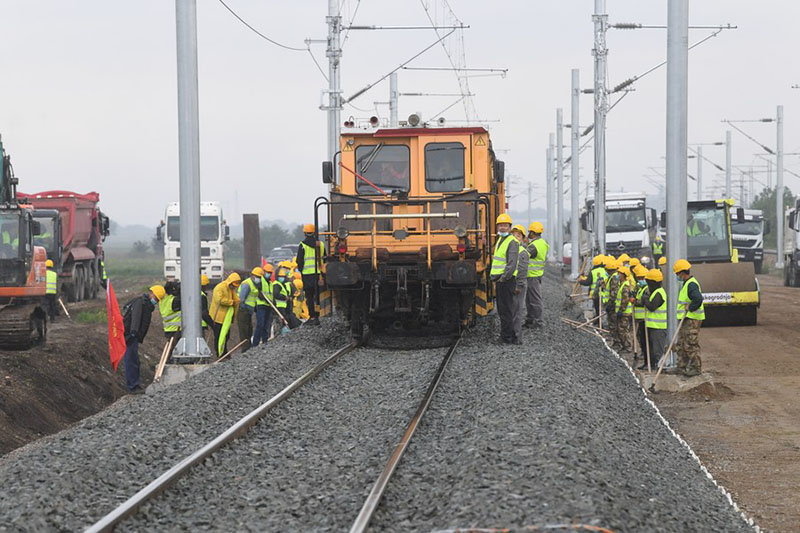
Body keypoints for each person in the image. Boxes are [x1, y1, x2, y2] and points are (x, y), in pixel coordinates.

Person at [121, 288, 158, 393]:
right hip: (130, 336)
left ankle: (135, 384)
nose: (156, 301)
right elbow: (136, 317)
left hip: (133, 336)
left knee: (134, 360)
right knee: (131, 360)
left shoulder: (146, 305)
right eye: (155, 298)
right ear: (151, 294)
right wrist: (133, 332)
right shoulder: (140, 302)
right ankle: (132, 387)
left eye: (158, 300)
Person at [490, 213, 519, 344]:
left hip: (506, 281)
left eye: (505, 225)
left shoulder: (512, 242)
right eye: (501, 225)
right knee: (503, 309)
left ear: (509, 227)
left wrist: (503, 278)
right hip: (501, 280)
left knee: (505, 309)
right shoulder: (500, 240)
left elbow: (511, 264)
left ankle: (507, 337)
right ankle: (509, 335)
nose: (502, 228)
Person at [674, 259, 705, 376]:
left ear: (682, 272)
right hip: (686, 319)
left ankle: (696, 368)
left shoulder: (691, 284)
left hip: (692, 319)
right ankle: (681, 366)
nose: (677, 276)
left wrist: (690, 307)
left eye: (677, 274)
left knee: (690, 344)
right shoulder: (686, 284)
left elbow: (698, 298)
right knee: (681, 343)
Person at [296, 223, 325, 326]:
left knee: (309, 296)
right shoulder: (320, 244)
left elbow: (299, 261)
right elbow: (324, 257)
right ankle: (318, 316)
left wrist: (301, 270)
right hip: (318, 274)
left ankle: (312, 316)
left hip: (307, 275)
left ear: (304, 233)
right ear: (314, 233)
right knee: (317, 296)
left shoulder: (302, 245)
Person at [524, 221, 549, 328]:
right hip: (535, 275)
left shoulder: (534, 246)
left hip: (532, 276)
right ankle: (530, 320)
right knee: (529, 299)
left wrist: (523, 244)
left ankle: (538, 322)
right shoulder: (542, 243)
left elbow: (524, 255)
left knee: (534, 300)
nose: (528, 234)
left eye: (529, 232)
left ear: (533, 233)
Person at [210, 272, 241, 356]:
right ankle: (219, 353)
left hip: (225, 318)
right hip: (218, 318)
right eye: (233, 285)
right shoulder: (220, 287)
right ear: (230, 282)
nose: (234, 287)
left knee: (226, 336)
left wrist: (237, 301)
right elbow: (219, 300)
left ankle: (224, 351)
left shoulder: (230, 290)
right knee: (219, 336)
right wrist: (231, 302)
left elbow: (236, 299)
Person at [642, 268, 667, 371]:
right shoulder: (655, 292)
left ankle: (661, 367)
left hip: (659, 327)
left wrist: (645, 299)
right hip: (653, 326)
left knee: (658, 350)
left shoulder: (659, 293)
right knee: (653, 349)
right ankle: (656, 365)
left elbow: (652, 307)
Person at [238, 267, 266, 353]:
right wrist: (245, 309)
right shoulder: (247, 284)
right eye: (258, 277)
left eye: (260, 277)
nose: (259, 279)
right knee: (244, 331)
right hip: (243, 311)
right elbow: (241, 299)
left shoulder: (255, 285)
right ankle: (245, 349)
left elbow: (254, 298)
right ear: (252, 276)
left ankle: (248, 348)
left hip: (249, 311)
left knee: (249, 330)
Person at [510, 225, 529, 343]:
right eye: (514, 235)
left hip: (518, 284)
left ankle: (517, 337)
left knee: (517, 311)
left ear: (522, 238)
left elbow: (522, 271)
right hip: (511, 283)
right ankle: (511, 335)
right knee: (511, 310)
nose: (516, 237)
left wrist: (519, 286)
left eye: (518, 235)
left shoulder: (522, 252)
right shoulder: (512, 249)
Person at [156, 281, 181, 355]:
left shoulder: (164, 300)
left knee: (171, 349)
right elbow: (182, 298)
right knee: (175, 350)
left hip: (169, 329)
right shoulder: (173, 301)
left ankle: (169, 361)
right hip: (176, 330)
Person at [632, 265, 649, 363]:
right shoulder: (640, 288)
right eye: (639, 278)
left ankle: (645, 355)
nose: (640, 280)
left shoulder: (647, 289)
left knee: (644, 339)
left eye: (642, 278)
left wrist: (634, 301)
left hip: (644, 317)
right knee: (640, 337)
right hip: (639, 317)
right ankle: (642, 352)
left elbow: (643, 302)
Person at [614, 266, 634, 353]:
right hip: (622, 311)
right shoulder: (621, 285)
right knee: (620, 330)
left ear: (623, 275)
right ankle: (624, 346)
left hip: (625, 312)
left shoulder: (625, 286)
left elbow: (625, 300)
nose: (618, 275)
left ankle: (628, 347)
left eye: (620, 273)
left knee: (624, 330)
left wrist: (621, 310)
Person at [602, 257, 620, 338]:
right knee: (612, 324)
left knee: (613, 324)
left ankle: (616, 341)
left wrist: (610, 304)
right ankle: (614, 339)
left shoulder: (614, 278)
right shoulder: (612, 277)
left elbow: (614, 293)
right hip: (611, 304)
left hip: (613, 305)